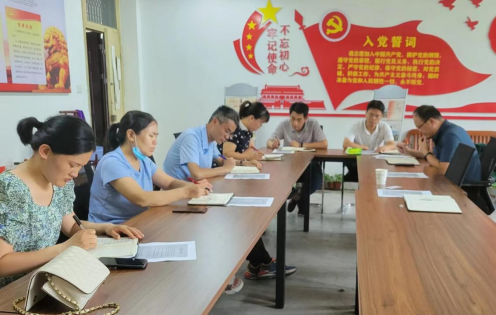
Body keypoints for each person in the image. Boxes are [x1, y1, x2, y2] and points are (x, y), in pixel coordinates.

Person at [165, 105, 296, 293]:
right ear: (214, 122)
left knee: (242, 216)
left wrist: (244, 162)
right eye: (226, 131)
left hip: (200, 193)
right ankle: (237, 269)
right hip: (179, 199)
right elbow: (197, 172)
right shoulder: (191, 138)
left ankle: (259, 263)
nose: (227, 137)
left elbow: (223, 161)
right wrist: (226, 168)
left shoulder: (210, 140)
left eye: (230, 133)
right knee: (234, 220)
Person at [0, 116, 142, 289]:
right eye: (72, 165)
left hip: (43, 282)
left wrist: (106, 228)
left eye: (81, 166)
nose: (75, 174)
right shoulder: (9, 189)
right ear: (45, 151)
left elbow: (71, 224)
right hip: (10, 292)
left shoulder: (57, 181)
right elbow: (2, 263)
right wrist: (64, 248)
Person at [88, 110, 211, 225]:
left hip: (138, 222)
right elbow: (142, 198)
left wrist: (194, 187)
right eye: (151, 135)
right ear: (131, 135)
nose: (155, 141)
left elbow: (169, 183)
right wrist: (186, 192)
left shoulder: (144, 161)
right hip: (112, 229)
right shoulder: (111, 162)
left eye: (156, 136)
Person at [266, 102, 327, 215]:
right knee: (275, 181)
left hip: (309, 163)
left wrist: (301, 145)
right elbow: (269, 141)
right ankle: (297, 197)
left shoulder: (313, 124)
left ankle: (298, 197)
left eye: (299, 120)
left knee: (316, 181)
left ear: (306, 118)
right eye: (292, 118)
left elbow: (324, 144)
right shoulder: (284, 124)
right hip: (288, 163)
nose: (295, 123)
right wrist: (272, 144)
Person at [397, 105, 481, 182]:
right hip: (453, 182)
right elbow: (434, 156)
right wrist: (408, 151)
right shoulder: (444, 131)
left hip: (463, 187)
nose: (420, 131)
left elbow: (444, 170)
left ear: (431, 121)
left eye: (419, 127)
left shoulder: (450, 136)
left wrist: (426, 152)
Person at [343, 100, 396, 181]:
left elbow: (392, 145)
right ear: (366, 113)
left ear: (381, 116)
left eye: (377, 116)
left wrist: (384, 147)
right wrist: (362, 147)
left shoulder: (384, 127)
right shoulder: (357, 126)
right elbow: (346, 144)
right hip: (358, 159)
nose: (373, 118)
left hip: (376, 159)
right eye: (371, 114)